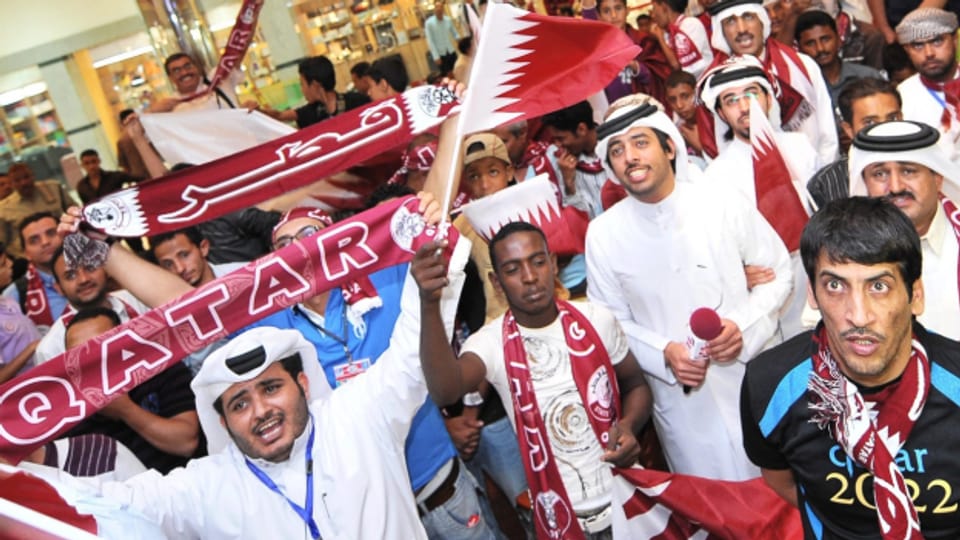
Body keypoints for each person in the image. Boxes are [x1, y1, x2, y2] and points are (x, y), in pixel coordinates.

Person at [39, 231, 468, 539]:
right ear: (222, 423)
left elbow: (412, 351)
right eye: (239, 404)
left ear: (303, 382)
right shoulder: (211, 486)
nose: (261, 411)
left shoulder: (357, 416)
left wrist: (428, 267)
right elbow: (107, 500)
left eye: (270, 388)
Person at [586, 96, 793, 480]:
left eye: (640, 142)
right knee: (714, 514)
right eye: (617, 150)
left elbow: (779, 273)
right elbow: (609, 322)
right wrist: (664, 353)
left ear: (669, 147)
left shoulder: (720, 201)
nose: (630, 157)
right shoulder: (602, 235)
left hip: (751, 377)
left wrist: (742, 327)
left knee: (783, 500)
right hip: (681, 402)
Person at [740, 195, 960, 538]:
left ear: (915, 294)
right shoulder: (770, 384)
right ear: (811, 294)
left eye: (879, 286)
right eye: (835, 286)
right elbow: (781, 480)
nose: (858, 315)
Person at [419, 221, 653, 538]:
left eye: (538, 262)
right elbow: (446, 390)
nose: (530, 277)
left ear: (553, 263)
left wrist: (627, 426)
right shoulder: (490, 343)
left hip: (628, 503)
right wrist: (429, 305)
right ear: (497, 282)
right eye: (513, 269)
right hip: (559, 518)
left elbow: (636, 385)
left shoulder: (597, 319)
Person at [701, 58, 818, 340]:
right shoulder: (716, 174)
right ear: (721, 113)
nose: (744, 107)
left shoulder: (800, 147)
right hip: (767, 284)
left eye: (752, 94)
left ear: (768, 98)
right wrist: (737, 272)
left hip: (815, 268)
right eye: (731, 100)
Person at [845, 120, 960, 340]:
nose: (896, 187)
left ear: (937, 178)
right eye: (880, 174)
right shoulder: (842, 252)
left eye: (908, 171)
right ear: (864, 183)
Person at [60, 307, 200, 473]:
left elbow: (186, 443)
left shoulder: (160, 368)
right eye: (80, 355)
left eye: (101, 348)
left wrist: (125, 410)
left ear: (124, 343)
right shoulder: (69, 414)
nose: (92, 361)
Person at [705, 0, 839, 164]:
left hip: (812, 175)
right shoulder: (714, 84)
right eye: (731, 21)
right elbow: (718, 149)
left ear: (762, 21)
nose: (741, 29)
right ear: (722, 31)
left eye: (748, 17)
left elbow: (827, 134)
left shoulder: (802, 66)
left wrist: (822, 182)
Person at [32, 246, 151, 364]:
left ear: (106, 269)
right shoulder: (49, 349)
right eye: (71, 275)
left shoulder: (141, 298)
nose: (84, 279)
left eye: (90, 268)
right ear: (59, 288)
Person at [807, 77, 903, 207]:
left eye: (892, 118)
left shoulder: (925, 165)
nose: (884, 129)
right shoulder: (825, 184)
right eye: (870, 122)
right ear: (849, 130)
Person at [894, 8, 960, 162]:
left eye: (937, 41)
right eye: (918, 45)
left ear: (955, 39)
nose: (929, 53)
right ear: (907, 50)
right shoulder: (902, 97)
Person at [795, 10, 882, 105]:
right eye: (810, 43)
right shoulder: (799, 87)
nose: (820, 48)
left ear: (839, 40)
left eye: (825, 39)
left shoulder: (868, 76)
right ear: (799, 49)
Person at [2, 213, 67, 333]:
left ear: (64, 236)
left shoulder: (94, 269)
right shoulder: (15, 294)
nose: (45, 242)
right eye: (34, 240)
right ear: (26, 253)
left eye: (51, 233)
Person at [541, 101, 607, 219]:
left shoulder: (614, 147)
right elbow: (578, 219)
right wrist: (569, 185)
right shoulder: (560, 162)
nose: (557, 145)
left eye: (560, 138)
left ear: (581, 129)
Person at [265, 56, 371, 128]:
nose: (302, 90)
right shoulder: (309, 114)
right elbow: (280, 116)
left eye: (302, 84)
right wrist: (257, 111)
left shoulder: (358, 102)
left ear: (315, 85)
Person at [0, 164, 76, 258]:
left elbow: (75, 212)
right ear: (11, 184)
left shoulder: (53, 188)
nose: (24, 183)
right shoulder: (3, 209)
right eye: (17, 180)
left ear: (33, 176)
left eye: (26, 177)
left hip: (64, 249)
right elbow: (2, 243)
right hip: (29, 259)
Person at [149, 52, 253, 113]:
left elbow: (238, 52)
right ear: (170, 78)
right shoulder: (170, 107)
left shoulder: (217, 80)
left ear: (196, 67)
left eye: (187, 66)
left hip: (245, 145)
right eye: (176, 71)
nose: (184, 72)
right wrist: (152, 112)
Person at [149, 227, 245, 287]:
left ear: (203, 248)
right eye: (168, 264)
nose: (180, 269)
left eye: (184, 255)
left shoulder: (244, 274)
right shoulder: (164, 307)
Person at [650, 0, 714, 79]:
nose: (653, 16)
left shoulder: (689, 25)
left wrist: (660, 38)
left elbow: (677, 66)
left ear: (664, 6)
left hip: (704, 81)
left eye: (654, 9)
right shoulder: (667, 34)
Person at [664, 70, 708, 168]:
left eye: (685, 96)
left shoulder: (714, 121)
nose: (679, 105)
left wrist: (701, 148)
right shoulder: (673, 131)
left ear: (697, 94)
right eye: (672, 100)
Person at [75, 149, 144, 205]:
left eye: (94, 161)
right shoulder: (81, 186)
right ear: (82, 165)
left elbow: (141, 179)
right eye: (87, 163)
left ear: (99, 161)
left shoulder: (114, 176)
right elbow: (86, 206)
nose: (91, 166)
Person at [425, 1, 461, 76]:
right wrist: (436, 56)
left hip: (451, 50)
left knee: (457, 71)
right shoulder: (429, 23)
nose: (439, 9)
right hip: (440, 54)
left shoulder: (448, 20)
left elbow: (455, 33)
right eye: (437, 7)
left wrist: (459, 40)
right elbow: (430, 41)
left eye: (440, 7)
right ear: (434, 9)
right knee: (446, 75)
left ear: (443, 8)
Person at [116, 109, 151, 179]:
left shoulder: (121, 141)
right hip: (155, 170)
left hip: (138, 177)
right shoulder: (146, 133)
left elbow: (125, 166)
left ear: (121, 123)